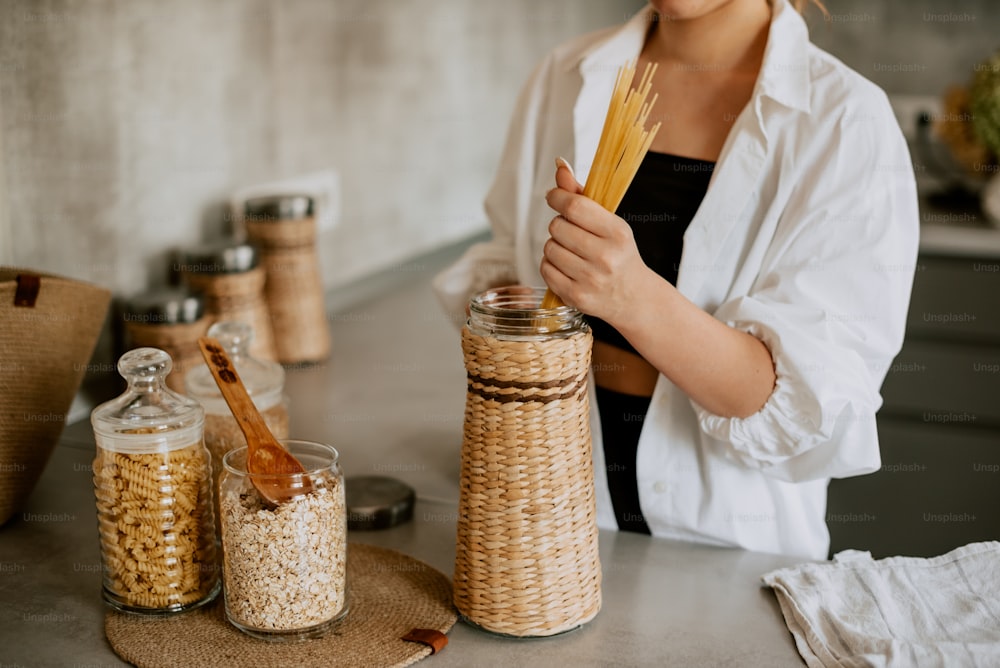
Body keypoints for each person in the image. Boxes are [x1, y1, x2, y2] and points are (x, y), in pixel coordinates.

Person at [433, 0, 919, 559]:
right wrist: (525, 312)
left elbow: (803, 399)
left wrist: (632, 299)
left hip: (728, 550)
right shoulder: (562, 75)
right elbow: (508, 260)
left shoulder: (845, 120)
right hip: (547, 522)